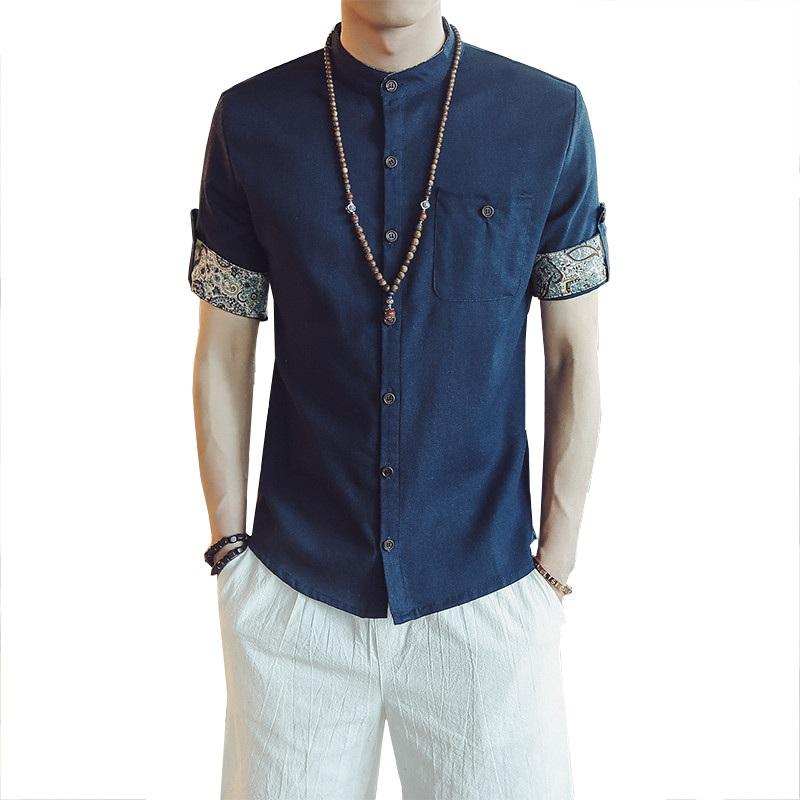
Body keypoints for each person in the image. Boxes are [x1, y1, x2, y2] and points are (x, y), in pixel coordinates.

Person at [189, 3, 608, 798]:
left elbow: (574, 355)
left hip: (486, 599)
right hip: (293, 601)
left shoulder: (546, 118)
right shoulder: (250, 122)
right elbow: (222, 351)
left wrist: (553, 572)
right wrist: (230, 554)